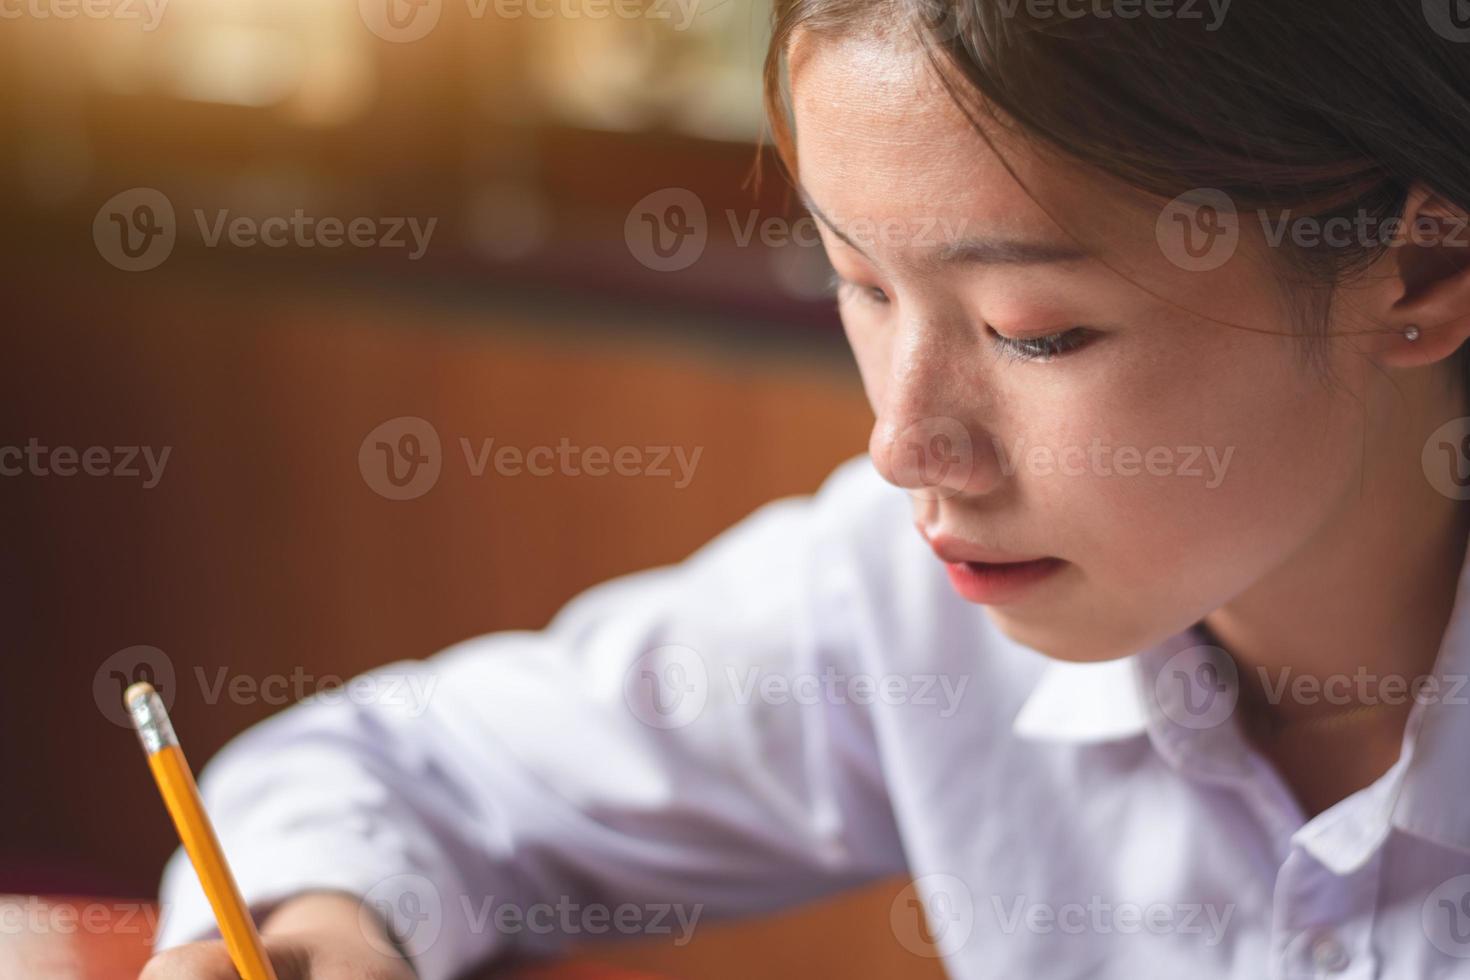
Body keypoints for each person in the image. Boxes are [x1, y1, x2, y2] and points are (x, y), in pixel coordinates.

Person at [141, 1, 1470, 977]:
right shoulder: (906, 603)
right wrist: (329, 914)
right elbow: (399, 771)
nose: (901, 441)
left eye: (1035, 331)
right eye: (863, 286)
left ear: (1409, 275)